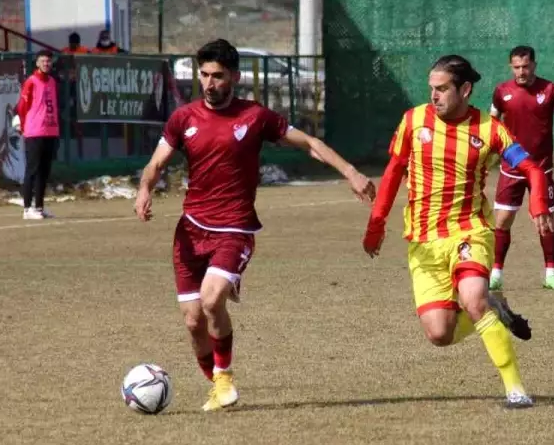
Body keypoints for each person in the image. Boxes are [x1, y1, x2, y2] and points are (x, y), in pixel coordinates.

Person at [134, 39, 374, 412]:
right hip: (191, 229)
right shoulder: (184, 118)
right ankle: (217, 385)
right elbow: (156, 163)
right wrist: (144, 189)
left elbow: (308, 142)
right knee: (193, 321)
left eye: (217, 76)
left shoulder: (256, 116)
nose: (209, 83)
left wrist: (350, 171)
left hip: (235, 227)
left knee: (213, 299)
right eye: (204, 75)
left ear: (235, 76)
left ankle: (226, 382)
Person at [363, 55, 552, 409]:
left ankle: (515, 389)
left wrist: (539, 204)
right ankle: (496, 312)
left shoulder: (489, 129)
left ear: (465, 89)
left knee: (474, 299)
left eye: (442, 89)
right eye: (431, 89)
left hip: (469, 232)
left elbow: (531, 168)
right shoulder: (413, 120)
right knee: (440, 334)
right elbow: (393, 172)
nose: (434, 96)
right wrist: (376, 223)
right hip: (423, 241)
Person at [489, 45, 554, 292]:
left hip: (541, 169)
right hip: (512, 167)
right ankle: (496, 274)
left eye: (526, 66)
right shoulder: (502, 91)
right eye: (517, 67)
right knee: (503, 220)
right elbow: (491, 124)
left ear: (534, 65)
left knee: (546, 222)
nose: (522, 71)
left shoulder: (549, 89)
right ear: (511, 67)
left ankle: (550, 274)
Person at [15, 50, 61, 220]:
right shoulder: (31, 82)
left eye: (48, 61)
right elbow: (22, 106)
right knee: (32, 170)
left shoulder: (52, 82)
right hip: (35, 132)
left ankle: (39, 207)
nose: (46, 64)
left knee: (44, 171)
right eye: (43, 61)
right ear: (37, 63)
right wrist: (23, 123)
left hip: (51, 131)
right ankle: (27, 209)